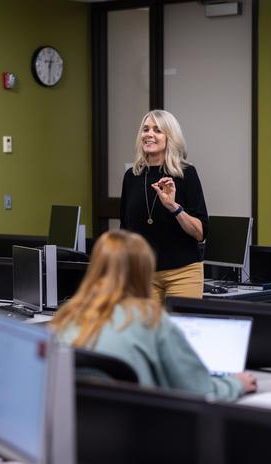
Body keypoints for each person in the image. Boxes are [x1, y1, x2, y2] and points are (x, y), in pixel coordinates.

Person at [51, 230, 256, 400]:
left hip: (83, 432)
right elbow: (200, 391)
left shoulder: (67, 317)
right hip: (140, 431)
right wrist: (235, 383)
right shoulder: (150, 319)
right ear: (144, 271)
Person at [119, 110, 209, 302]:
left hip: (183, 273)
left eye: (157, 130)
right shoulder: (131, 177)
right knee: (144, 331)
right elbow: (125, 230)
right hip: (143, 274)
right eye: (145, 129)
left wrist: (174, 207)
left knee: (179, 331)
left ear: (170, 137)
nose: (149, 134)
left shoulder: (186, 174)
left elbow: (200, 233)